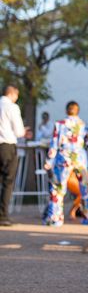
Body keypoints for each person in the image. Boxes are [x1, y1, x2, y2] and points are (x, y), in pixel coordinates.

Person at [42, 101, 88, 226]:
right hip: (80, 158)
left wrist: (49, 161)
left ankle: (56, 219)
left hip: (64, 157)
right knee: (85, 188)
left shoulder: (60, 124)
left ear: (66, 111)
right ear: (78, 111)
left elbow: (54, 143)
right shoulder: (83, 125)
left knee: (58, 188)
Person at [0, 85, 30, 227]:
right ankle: (3, 215)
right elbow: (18, 131)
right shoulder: (12, 107)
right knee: (8, 181)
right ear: (12, 94)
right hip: (7, 146)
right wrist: (24, 131)